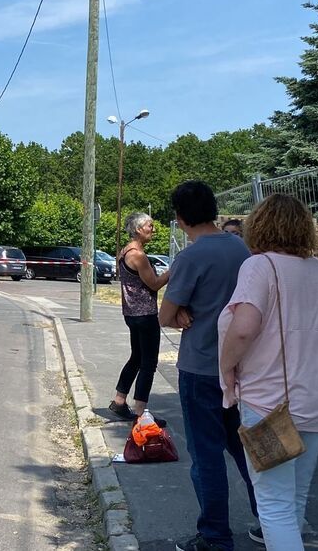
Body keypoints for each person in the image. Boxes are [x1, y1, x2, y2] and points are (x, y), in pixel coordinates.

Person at [219, 195, 318, 550]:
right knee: (295, 498)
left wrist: (226, 367)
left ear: (259, 226)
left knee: (274, 505)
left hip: (269, 402)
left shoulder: (260, 266)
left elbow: (244, 328)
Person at [159, 181, 259, 551]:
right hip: (244, 369)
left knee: (206, 455)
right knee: (247, 449)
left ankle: (216, 537)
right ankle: (270, 519)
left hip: (202, 367)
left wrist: (183, 311)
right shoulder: (243, 249)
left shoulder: (191, 256)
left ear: (181, 218)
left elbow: (165, 314)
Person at [109, 212, 172, 420]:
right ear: (138, 229)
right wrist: (172, 272)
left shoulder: (125, 250)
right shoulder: (138, 255)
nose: (153, 229)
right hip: (145, 314)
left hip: (131, 313)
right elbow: (154, 283)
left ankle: (119, 401)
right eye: (149, 226)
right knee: (148, 363)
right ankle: (140, 414)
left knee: (136, 357)